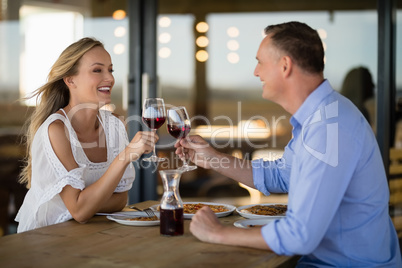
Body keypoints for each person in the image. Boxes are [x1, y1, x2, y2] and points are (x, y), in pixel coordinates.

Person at [175, 22, 401, 267]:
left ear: (285, 66)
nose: (255, 72)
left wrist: (217, 233)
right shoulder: (321, 117)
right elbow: (282, 175)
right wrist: (212, 158)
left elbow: (299, 236)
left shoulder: (328, 129)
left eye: (260, 61)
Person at [15, 37, 157, 232]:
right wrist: (124, 157)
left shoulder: (114, 125)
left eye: (110, 70)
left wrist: (85, 203)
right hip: (45, 239)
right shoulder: (57, 130)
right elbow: (80, 213)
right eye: (97, 70)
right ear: (70, 79)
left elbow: (121, 199)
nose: (110, 78)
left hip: (88, 233)